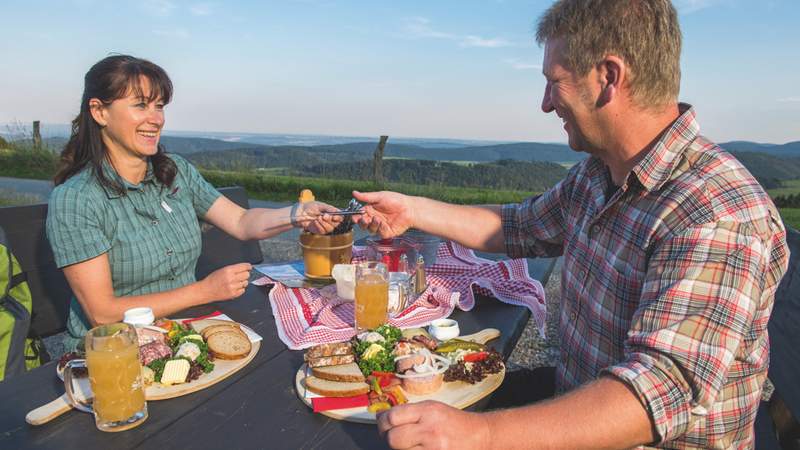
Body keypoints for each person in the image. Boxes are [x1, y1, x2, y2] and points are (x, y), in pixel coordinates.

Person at [354, 0, 789, 448]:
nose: (545, 104)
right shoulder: (599, 175)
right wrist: (411, 210)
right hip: (574, 405)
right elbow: (518, 226)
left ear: (609, 77)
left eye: (554, 82)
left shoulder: (715, 213)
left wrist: (480, 435)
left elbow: (658, 393)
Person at [46, 55, 341, 351]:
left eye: (159, 106)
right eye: (140, 105)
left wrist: (298, 213)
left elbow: (240, 221)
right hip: (115, 350)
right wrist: (204, 291)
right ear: (99, 112)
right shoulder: (77, 199)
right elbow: (103, 312)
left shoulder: (175, 171)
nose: (156, 118)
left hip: (184, 332)